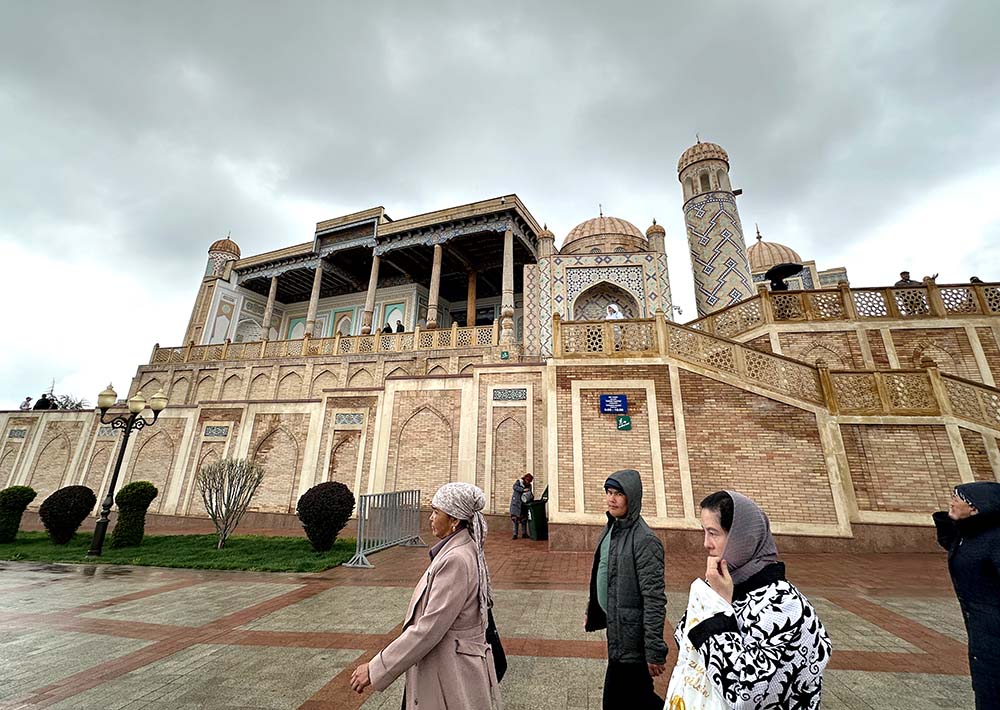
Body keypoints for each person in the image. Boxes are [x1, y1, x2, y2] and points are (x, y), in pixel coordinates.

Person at [350, 482, 500, 709]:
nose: (430, 518)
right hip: (446, 669)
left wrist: (376, 668)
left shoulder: (456, 560)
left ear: (454, 521)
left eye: (436, 512)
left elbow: (429, 628)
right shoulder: (459, 550)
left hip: (449, 677)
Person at [681, 491, 831, 709]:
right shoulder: (726, 585)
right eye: (704, 532)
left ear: (742, 538)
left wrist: (719, 609)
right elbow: (686, 641)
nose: (706, 543)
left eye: (713, 533)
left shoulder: (784, 605)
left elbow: (745, 695)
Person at [585, 469, 667, 710]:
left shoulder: (644, 540)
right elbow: (604, 573)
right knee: (634, 699)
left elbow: (654, 599)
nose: (612, 499)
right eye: (609, 493)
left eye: (618, 494)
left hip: (633, 642)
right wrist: (593, 608)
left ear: (632, 497)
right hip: (618, 632)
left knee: (625, 700)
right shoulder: (613, 528)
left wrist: (654, 650)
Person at [933, 482, 1000, 708]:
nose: (951, 501)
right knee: (986, 687)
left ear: (975, 507)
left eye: (957, 498)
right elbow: (954, 544)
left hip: (994, 629)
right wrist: (948, 519)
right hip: (982, 629)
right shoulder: (971, 535)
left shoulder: (995, 540)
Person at [509, 473, 533, 539]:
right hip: (516, 504)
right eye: (527, 480)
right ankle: (515, 534)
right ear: (525, 479)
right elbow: (514, 487)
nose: (528, 482)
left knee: (524, 520)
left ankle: (524, 533)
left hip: (524, 504)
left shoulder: (529, 486)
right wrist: (523, 490)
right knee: (515, 520)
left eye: (529, 481)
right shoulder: (519, 482)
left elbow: (530, 493)